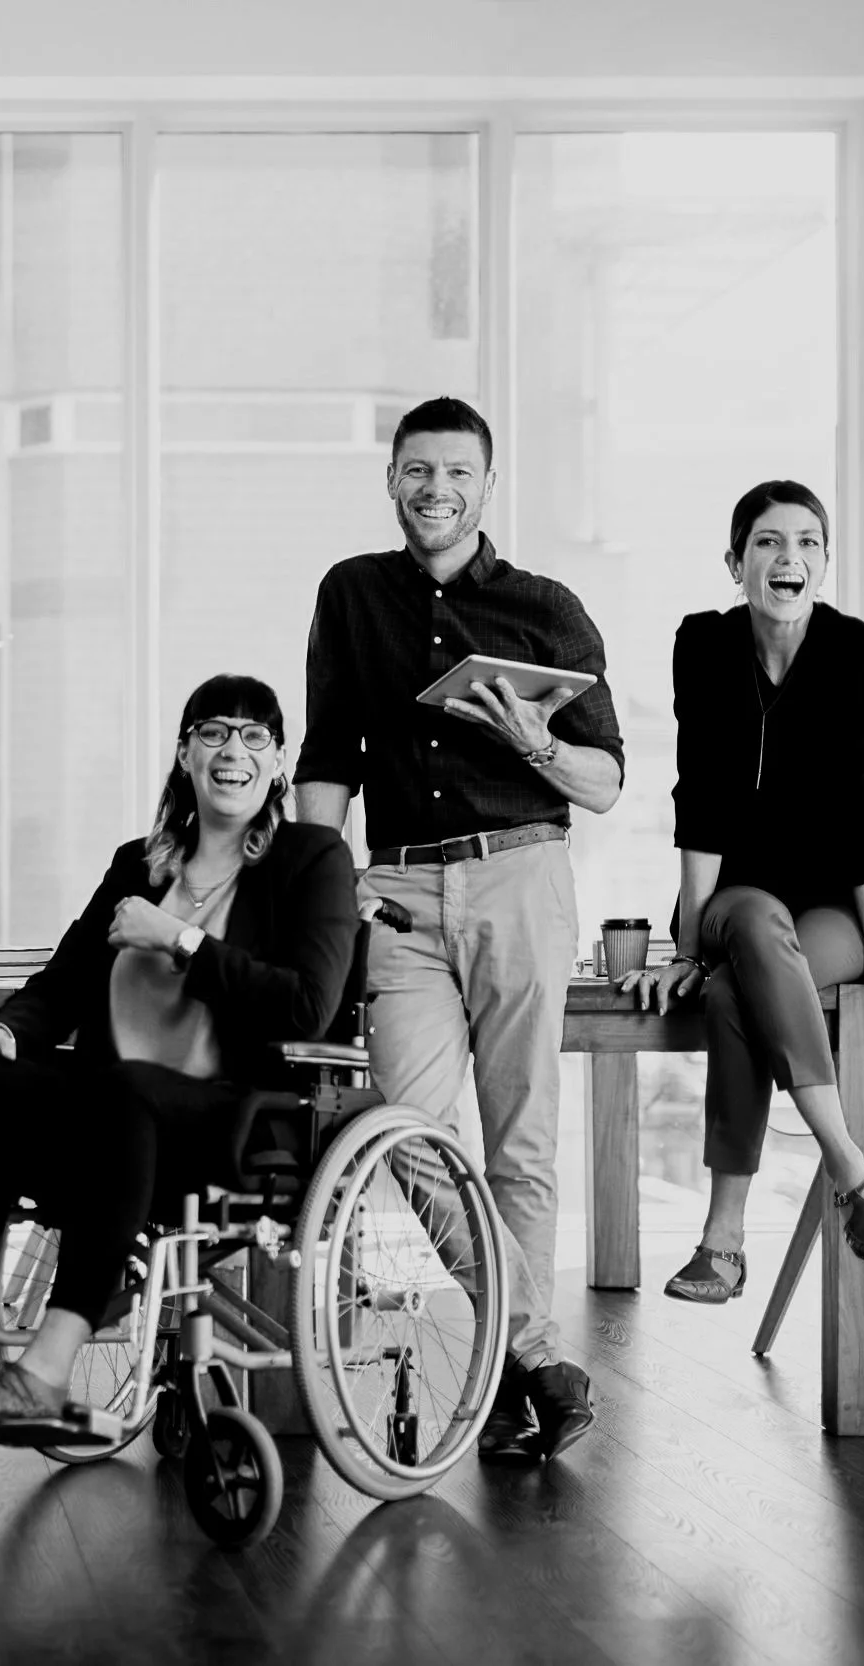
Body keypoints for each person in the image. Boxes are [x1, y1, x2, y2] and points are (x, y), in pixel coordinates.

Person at [0, 675, 356, 1424]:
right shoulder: (140, 864)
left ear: (278, 762)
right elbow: (62, 983)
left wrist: (180, 940)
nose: (233, 750)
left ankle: (45, 1373)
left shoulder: (309, 860)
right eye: (214, 732)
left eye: (254, 736)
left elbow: (309, 1006)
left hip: (232, 1121)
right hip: (112, 1108)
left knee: (124, 1092)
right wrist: (1, 1033)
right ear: (186, 754)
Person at [293, 395, 622, 1464]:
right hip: (399, 893)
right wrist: (317, 891)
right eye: (416, 470)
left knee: (521, 1144)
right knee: (411, 1130)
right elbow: (327, 760)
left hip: (521, 873)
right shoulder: (351, 594)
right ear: (392, 478)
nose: (435, 489)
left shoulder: (545, 608)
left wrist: (535, 741)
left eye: (456, 473)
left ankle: (513, 1391)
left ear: (487, 485)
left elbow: (606, 781)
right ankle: (534, 1354)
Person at [616, 480, 864, 1306]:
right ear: (736, 563)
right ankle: (851, 1165)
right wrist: (688, 947)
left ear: (824, 564)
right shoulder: (704, 646)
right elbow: (702, 801)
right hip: (736, 893)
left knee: (734, 995)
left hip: (837, 895)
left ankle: (721, 1244)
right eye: (766, 542)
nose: (786, 556)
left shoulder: (854, 652)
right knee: (754, 930)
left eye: (806, 542)